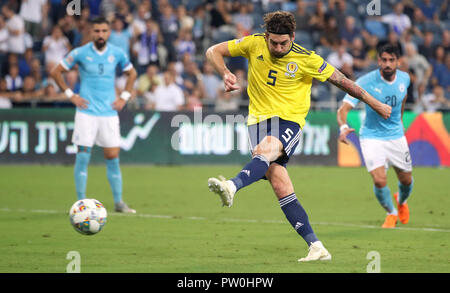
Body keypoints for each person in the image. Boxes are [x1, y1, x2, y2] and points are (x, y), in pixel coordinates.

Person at [205, 11, 391, 262]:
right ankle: (316, 247)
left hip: (288, 121)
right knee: (280, 185)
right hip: (256, 122)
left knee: (266, 149)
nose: (278, 48)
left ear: (293, 37)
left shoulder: (307, 59)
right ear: (266, 37)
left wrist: (375, 104)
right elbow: (212, 51)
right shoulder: (253, 42)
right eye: (273, 42)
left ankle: (232, 185)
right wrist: (224, 72)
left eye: (284, 43)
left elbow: (345, 83)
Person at [50, 16, 137, 214]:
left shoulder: (117, 53)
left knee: (112, 156)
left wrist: (123, 97)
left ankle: (119, 202)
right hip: (86, 112)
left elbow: (131, 74)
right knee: (83, 156)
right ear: (91, 32)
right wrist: (71, 95)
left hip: (109, 112)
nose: (100, 34)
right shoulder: (80, 53)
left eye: (104, 31)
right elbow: (56, 72)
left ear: (109, 33)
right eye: (96, 31)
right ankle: (80, 204)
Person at [337, 44, 413, 229]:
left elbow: (402, 99)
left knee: (406, 180)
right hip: (371, 136)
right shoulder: (365, 82)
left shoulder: (405, 79)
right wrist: (343, 127)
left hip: (396, 135)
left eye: (391, 60)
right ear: (378, 60)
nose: (387, 64)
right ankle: (391, 213)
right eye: (384, 60)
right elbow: (343, 108)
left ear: (398, 62)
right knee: (379, 180)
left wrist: (401, 120)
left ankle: (401, 202)